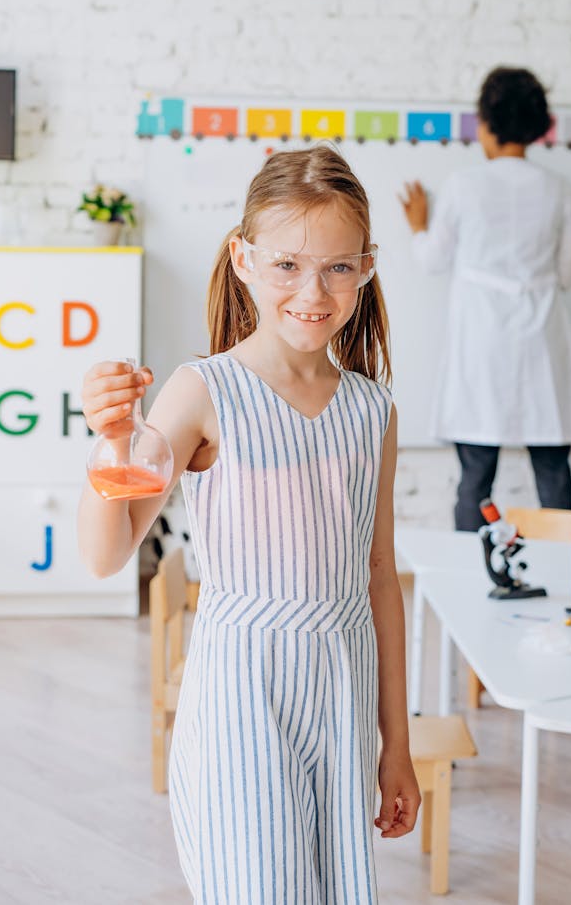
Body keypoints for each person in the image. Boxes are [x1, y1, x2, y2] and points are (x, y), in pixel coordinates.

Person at [78, 144, 421, 904]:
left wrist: (398, 745)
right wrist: (110, 440)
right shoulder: (203, 390)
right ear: (243, 258)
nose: (313, 289)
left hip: (343, 687)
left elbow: (378, 580)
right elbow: (105, 553)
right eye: (288, 265)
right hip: (242, 690)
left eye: (338, 267)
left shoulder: (372, 410)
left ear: (365, 267)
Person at [400, 66, 571, 532]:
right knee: (553, 474)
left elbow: (431, 260)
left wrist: (419, 224)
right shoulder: (559, 189)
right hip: (541, 345)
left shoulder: (465, 186)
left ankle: (470, 577)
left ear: (485, 123)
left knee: (476, 478)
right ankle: (564, 576)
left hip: (480, 349)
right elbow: (566, 275)